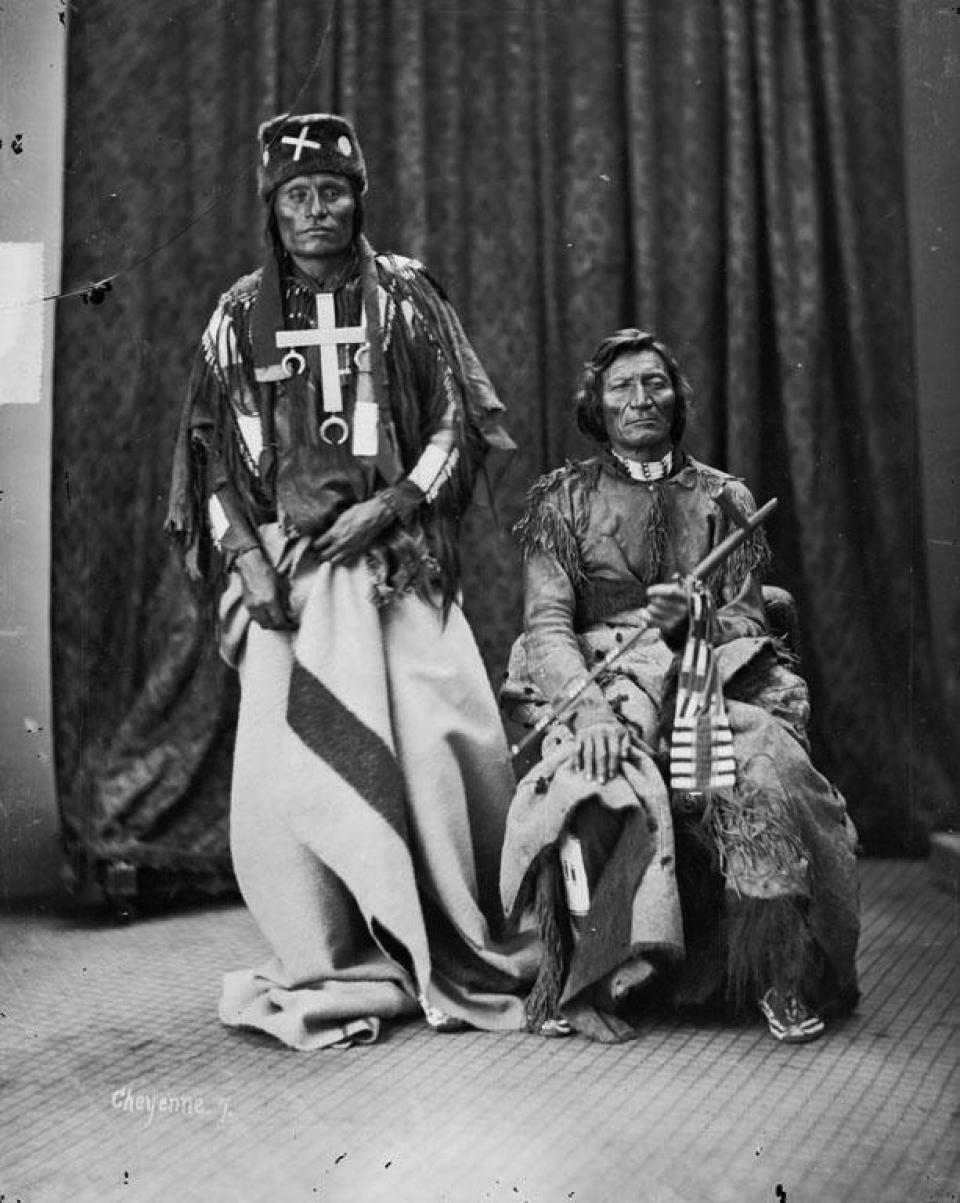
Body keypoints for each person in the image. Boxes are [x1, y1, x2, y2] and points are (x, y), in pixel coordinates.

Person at [166, 111, 536, 1049]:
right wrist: (249, 563)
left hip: (395, 562)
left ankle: (456, 932)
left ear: (358, 195)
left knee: (447, 731)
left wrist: (397, 503)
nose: (317, 209)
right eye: (297, 195)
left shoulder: (407, 297)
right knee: (287, 769)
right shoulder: (235, 316)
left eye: (332, 190)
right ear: (273, 209)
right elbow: (211, 461)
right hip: (291, 572)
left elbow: (458, 423)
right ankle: (333, 950)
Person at [499, 329, 860, 1044]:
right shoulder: (563, 502)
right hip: (599, 678)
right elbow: (546, 629)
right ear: (596, 408)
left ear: (677, 398)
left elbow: (750, 618)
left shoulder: (725, 498)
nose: (640, 399)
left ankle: (778, 972)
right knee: (592, 771)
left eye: (655, 384)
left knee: (765, 765)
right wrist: (594, 711)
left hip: (710, 677)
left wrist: (688, 619)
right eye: (621, 387)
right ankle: (595, 972)